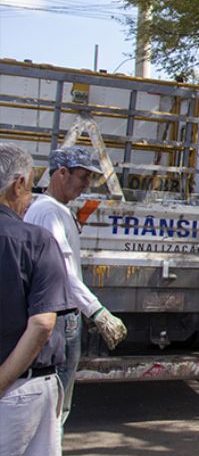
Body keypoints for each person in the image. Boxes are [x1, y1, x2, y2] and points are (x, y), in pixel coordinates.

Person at [25, 147, 127, 429]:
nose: (86, 185)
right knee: (55, 401)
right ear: (61, 173)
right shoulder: (48, 212)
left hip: (63, 315)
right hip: (59, 318)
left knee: (60, 402)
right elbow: (62, 272)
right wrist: (97, 312)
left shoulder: (57, 211)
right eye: (82, 177)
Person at [0, 144, 75, 456]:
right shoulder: (34, 240)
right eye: (29, 186)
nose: (30, 196)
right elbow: (43, 324)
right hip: (20, 391)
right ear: (17, 185)